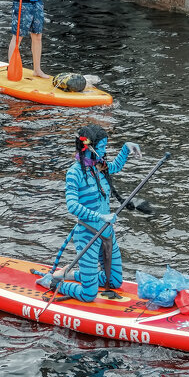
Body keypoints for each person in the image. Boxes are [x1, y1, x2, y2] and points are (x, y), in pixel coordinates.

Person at [36, 124, 142, 302]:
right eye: (101, 148)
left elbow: (114, 167)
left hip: (107, 233)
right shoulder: (74, 173)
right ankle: (52, 283)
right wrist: (100, 216)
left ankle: (73, 274)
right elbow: (72, 205)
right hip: (87, 235)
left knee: (115, 282)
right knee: (89, 295)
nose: (104, 152)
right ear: (88, 148)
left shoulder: (98, 166)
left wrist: (126, 148)